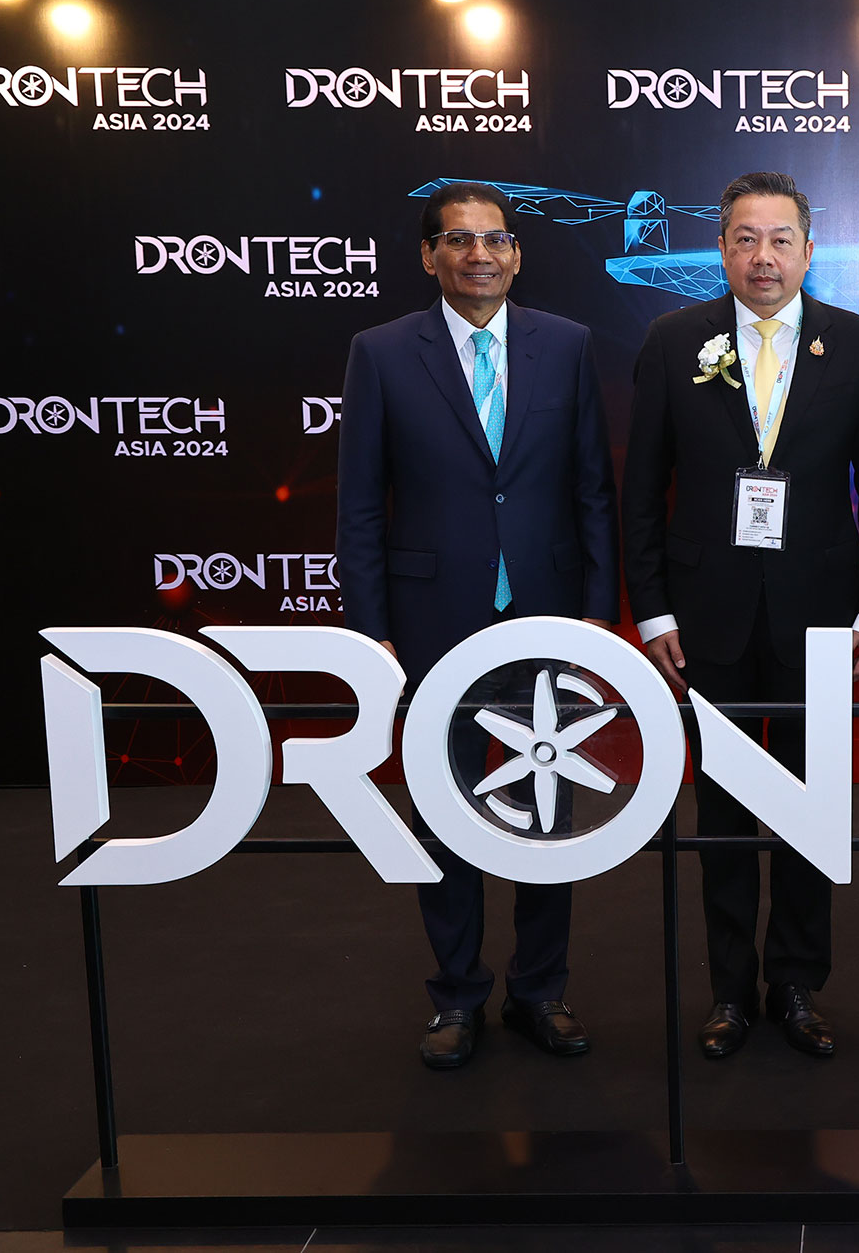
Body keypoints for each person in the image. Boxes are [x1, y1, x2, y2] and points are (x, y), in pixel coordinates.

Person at [621, 171, 859, 1059]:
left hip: (823, 613)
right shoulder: (674, 340)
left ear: (809, 251)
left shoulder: (856, 343)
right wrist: (651, 608)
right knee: (724, 809)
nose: (763, 256)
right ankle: (728, 989)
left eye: (781, 239)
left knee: (812, 806)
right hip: (706, 613)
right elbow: (642, 488)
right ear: (721, 249)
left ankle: (797, 983)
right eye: (745, 238)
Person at [337, 181, 621, 1070]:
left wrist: (596, 613)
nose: (479, 254)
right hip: (431, 621)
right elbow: (360, 506)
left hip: (547, 615)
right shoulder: (382, 352)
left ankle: (541, 989)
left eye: (495, 239)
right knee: (443, 806)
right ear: (430, 257)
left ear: (518, 254)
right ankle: (456, 994)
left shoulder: (566, 344)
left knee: (548, 807)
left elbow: (593, 488)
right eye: (458, 240)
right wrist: (372, 629)